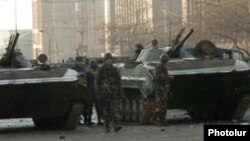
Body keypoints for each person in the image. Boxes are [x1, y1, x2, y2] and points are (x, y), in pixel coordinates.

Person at [96, 52, 122, 133]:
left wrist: (120, 92)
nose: (109, 61)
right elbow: (97, 82)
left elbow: (119, 81)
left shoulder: (114, 69)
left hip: (114, 93)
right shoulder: (101, 70)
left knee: (115, 110)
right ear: (105, 60)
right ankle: (107, 126)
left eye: (110, 59)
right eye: (107, 60)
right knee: (106, 111)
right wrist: (98, 94)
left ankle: (116, 125)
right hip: (105, 93)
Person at [151, 54, 174, 126]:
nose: (168, 62)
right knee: (160, 106)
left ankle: (163, 122)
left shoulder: (164, 67)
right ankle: (153, 118)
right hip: (159, 89)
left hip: (164, 89)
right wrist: (168, 77)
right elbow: (158, 76)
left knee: (164, 106)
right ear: (165, 61)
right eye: (167, 61)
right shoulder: (159, 67)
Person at [86, 59, 103, 125]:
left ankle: (90, 120)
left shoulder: (88, 73)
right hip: (94, 92)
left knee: (93, 107)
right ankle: (98, 120)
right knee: (96, 107)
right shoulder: (97, 73)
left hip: (92, 92)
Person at [71, 56, 87, 125]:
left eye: (81, 61)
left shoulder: (82, 68)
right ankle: (77, 119)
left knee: (84, 105)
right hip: (76, 89)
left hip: (82, 89)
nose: (81, 62)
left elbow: (85, 75)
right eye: (79, 61)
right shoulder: (73, 69)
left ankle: (84, 118)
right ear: (77, 61)